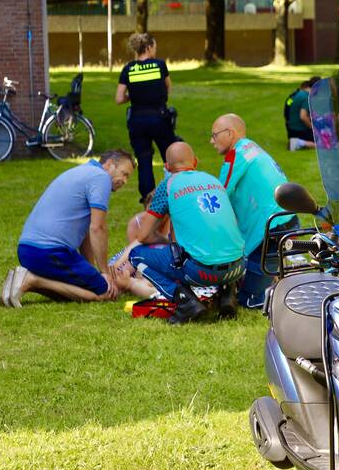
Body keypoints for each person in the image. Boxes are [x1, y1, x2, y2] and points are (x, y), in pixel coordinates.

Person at [118, 142, 246, 324]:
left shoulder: (168, 185)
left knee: (137, 255)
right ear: (195, 162)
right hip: (238, 267)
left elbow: (143, 235)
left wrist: (166, 244)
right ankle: (227, 295)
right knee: (219, 243)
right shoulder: (214, 181)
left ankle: (187, 304)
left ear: (167, 167)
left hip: (201, 272)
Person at [0, 150, 135, 308]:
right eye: (124, 174)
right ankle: (31, 280)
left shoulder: (82, 171)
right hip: (50, 253)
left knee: (81, 288)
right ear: (110, 164)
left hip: (27, 251)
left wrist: (91, 271)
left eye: (128, 177)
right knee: (104, 291)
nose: (125, 181)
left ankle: (25, 280)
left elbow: (85, 235)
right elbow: (98, 228)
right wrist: (104, 273)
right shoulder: (101, 177)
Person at [210, 113, 293, 309]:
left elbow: (219, 194)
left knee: (247, 300)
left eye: (214, 135)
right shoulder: (251, 148)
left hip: (271, 229)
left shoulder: (236, 154)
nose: (211, 141)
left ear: (229, 133)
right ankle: (275, 278)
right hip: (286, 220)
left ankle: (268, 288)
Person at [116, 32, 179, 203]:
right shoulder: (159, 65)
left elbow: (119, 98)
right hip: (159, 118)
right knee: (170, 156)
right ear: (149, 47)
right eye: (155, 47)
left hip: (137, 120)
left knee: (144, 160)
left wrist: (134, 96)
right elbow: (168, 88)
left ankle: (148, 200)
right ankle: (175, 191)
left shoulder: (128, 69)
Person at [285, 76, 320, 151]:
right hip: (299, 130)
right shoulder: (306, 97)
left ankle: (296, 142)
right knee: (323, 141)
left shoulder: (297, 93)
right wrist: (313, 128)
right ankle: (298, 142)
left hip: (291, 129)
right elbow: (303, 117)